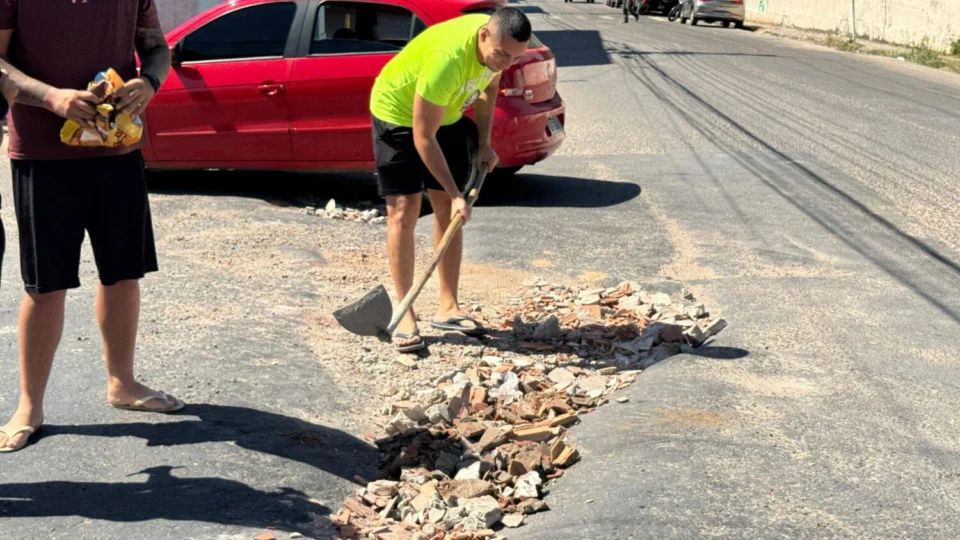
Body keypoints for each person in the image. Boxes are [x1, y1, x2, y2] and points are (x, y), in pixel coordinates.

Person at [0, 0, 183, 454]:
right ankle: (29, 406)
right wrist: (51, 97)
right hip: (42, 157)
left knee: (123, 273)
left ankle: (122, 383)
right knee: (46, 285)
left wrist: (148, 82)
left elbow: (157, 48)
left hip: (117, 151)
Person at [369, 7, 531, 352]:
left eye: (514, 58)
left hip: (448, 113)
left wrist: (485, 145)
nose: (506, 63)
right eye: (502, 54)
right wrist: (458, 192)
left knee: (449, 211)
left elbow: (489, 89)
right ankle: (405, 310)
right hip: (397, 114)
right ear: (483, 35)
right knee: (405, 208)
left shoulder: (496, 53)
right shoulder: (448, 59)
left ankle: (448, 306)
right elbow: (422, 137)